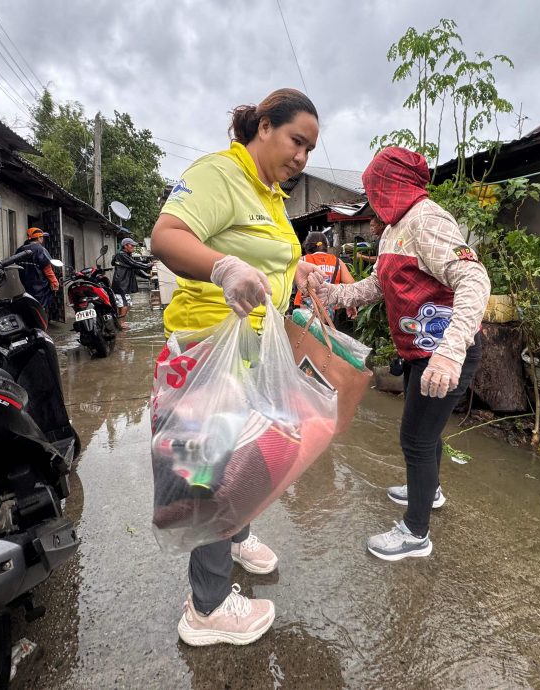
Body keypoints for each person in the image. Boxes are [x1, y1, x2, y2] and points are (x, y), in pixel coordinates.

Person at [150, 87, 322, 647]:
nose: (302, 156)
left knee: (247, 458)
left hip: (249, 351)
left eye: (310, 149)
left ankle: (237, 536)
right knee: (207, 474)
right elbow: (166, 237)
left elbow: (267, 257)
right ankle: (206, 608)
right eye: (297, 141)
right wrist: (223, 268)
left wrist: (297, 274)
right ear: (264, 127)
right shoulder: (219, 174)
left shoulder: (270, 194)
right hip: (208, 353)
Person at [308, 147, 490, 561]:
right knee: (426, 433)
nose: (372, 197)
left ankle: (415, 533)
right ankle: (430, 490)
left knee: (416, 439)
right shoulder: (395, 228)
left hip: (444, 353)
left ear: (392, 184)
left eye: (375, 186)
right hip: (418, 352)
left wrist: (449, 353)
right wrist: (330, 293)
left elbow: (474, 279)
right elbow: (375, 285)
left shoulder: (427, 220)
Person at [293, 231, 356, 318]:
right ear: (326, 246)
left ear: (307, 246)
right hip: (328, 309)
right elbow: (351, 285)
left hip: (305, 307)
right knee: (327, 327)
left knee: (307, 327)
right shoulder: (338, 262)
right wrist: (350, 303)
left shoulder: (302, 261)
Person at [111, 237, 152, 329]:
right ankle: (121, 323)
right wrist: (147, 265)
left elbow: (136, 269)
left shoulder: (126, 256)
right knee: (124, 304)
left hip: (124, 284)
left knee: (125, 304)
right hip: (121, 284)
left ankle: (119, 322)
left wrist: (147, 276)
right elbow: (134, 264)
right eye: (131, 245)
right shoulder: (121, 255)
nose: (133, 247)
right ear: (125, 246)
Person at [19, 227, 59, 314]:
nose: (42, 239)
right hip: (40, 287)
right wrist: (54, 282)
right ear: (38, 238)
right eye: (42, 237)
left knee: (31, 306)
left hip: (26, 285)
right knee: (41, 308)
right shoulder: (40, 249)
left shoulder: (20, 250)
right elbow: (47, 268)